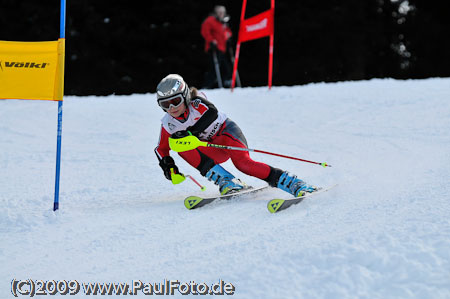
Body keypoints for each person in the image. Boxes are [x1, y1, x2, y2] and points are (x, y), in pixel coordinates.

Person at [154, 74, 318, 197]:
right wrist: (168, 165)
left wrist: (191, 133)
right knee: (178, 144)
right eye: (165, 104)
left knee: (244, 164)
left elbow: (212, 113)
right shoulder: (168, 122)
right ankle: (227, 180)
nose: (172, 108)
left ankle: (293, 183)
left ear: (185, 96)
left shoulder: (197, 102)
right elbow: (161, 148)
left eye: (175, 101)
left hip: (227, 134)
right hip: (212, 149)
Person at [200, 5, 233, 88]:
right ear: (216, 13)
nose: (222, 14)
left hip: (222, 49)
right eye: (220, 12)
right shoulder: (210, 20)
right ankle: (207, 86)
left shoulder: (223, 23)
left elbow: (227, 33)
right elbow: (205, 31)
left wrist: (228, 38)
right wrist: (211, 41)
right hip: (214, 49)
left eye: (223, 12)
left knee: (226, 68)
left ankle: (225, 84)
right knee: (215, 69)